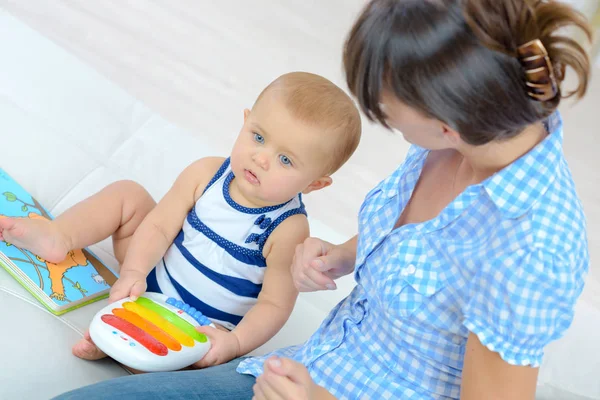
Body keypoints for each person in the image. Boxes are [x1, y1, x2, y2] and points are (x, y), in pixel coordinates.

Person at [51, 0, 593, 398]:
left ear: (447, 120)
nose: (379, 110)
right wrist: (344, 254)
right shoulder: (473, 135)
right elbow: (422, 245)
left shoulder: (530, 253)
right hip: (299, 370)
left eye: (386, 106)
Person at [0, 71, 361, 369]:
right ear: (245, 120)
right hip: (150, 278)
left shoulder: (288, 228)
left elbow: (275, 304)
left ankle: (125, 349)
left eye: (286, 160)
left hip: (202, 328)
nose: (262, 159)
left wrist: (234, 343)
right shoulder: (206, 174)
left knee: (186, 365)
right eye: (259, 137)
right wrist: (133, 273)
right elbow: (158, 227)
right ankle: (58, 235)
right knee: (129, 195)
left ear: (315, 184)